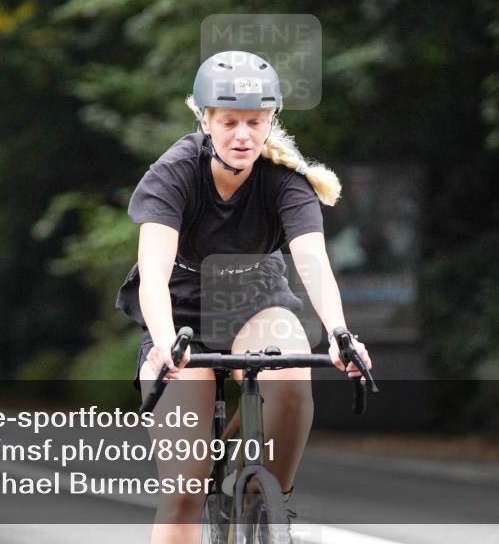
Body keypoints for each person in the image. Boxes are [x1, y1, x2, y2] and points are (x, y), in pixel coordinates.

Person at [116, 51, 372, 544]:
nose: (242, 135)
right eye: (229, 121)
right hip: (182, 310)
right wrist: (166, 344)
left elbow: (313, 262)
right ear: (205, 119)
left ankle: (265, 505)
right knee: (185, 491)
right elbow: (152, 273)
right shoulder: (175, 173)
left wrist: (341, 335)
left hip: (258, 301)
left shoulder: (284, 179)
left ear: (271, 120)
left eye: (254, 122)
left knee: (292, 381)